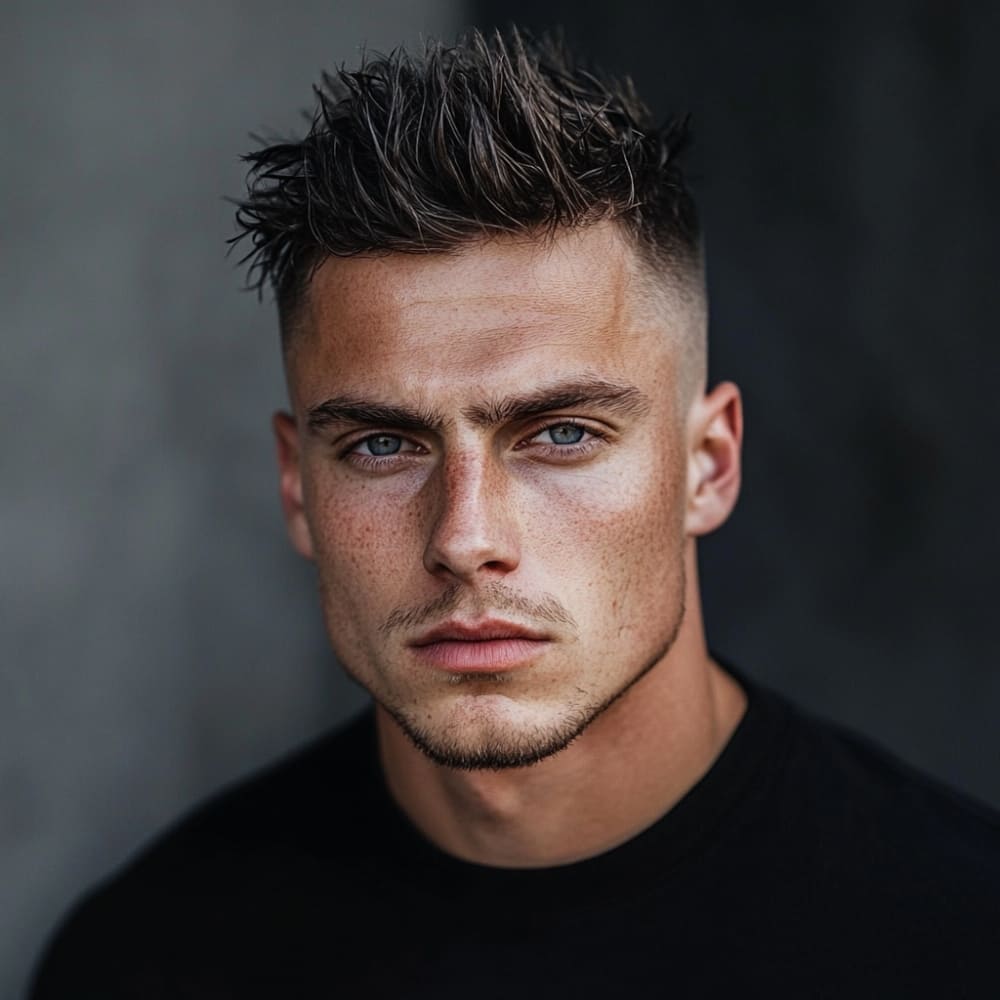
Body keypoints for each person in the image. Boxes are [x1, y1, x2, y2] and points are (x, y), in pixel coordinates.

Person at [30, 29, 999, 998]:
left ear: (707, 466)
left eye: (561, 434)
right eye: (381, 445)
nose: (465, 539)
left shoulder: (957, 935)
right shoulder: (145, 956)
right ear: (297, 489)